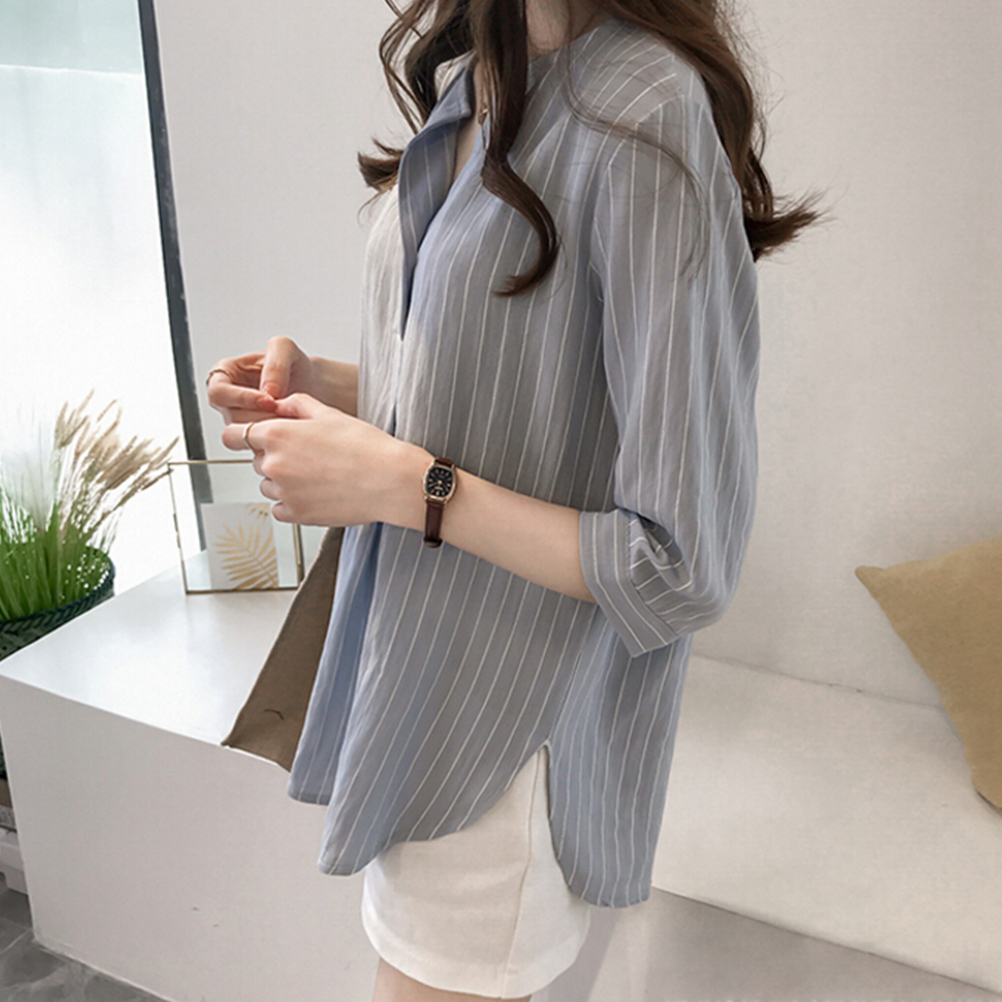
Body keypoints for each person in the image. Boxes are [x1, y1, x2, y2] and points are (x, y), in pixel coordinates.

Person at [208, 0, 822, 998]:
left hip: (502, 734)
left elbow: (680, 560)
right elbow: (512, 396)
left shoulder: (645, 109)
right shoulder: (476, 80)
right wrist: (336, 391)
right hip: (410, 681)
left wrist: (397, 482)